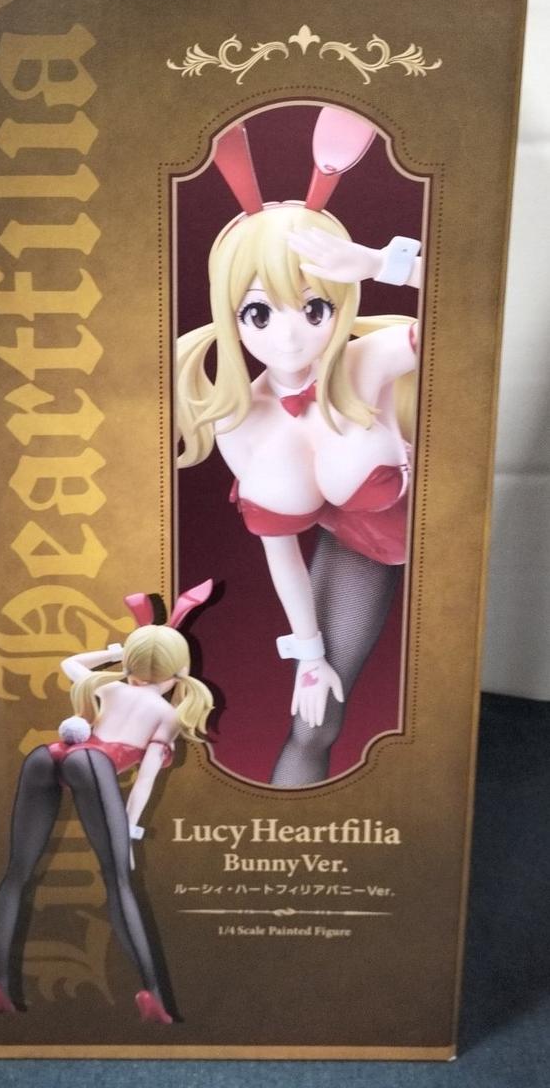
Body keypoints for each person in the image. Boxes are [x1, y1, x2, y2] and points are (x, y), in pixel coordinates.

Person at [177, 107, 421, 786]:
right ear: (230, 316)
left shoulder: (367, 362)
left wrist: (379, 263)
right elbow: (278, 547)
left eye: (314, 308)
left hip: (461, 533)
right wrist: (308, 655)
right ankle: (285, 835)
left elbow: (473, 310)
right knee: (314, 724)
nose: (288, 337)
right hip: (367, 548)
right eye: (258, 311)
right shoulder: (239, 420)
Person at [0, 581, 214, 1024]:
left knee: (17, 872)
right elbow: (144, 781)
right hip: (91, 763)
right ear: (179, 671)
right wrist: (129, 830)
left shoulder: (108, 688)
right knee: (118, 880)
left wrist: (114, 652)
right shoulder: (167, 715)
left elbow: (69, 663)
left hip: (52, 753)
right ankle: (153, 994)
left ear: (130, 663)